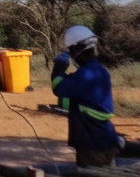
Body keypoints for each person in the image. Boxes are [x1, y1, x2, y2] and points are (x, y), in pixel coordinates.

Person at [52, 26, 122, 167]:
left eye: (71, 51)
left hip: (93, 145)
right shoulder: (98, 70)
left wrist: (58, 69)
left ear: (78, 50)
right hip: (104, 139)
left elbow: (58, 88)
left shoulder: (86, 75)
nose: (71, 55)